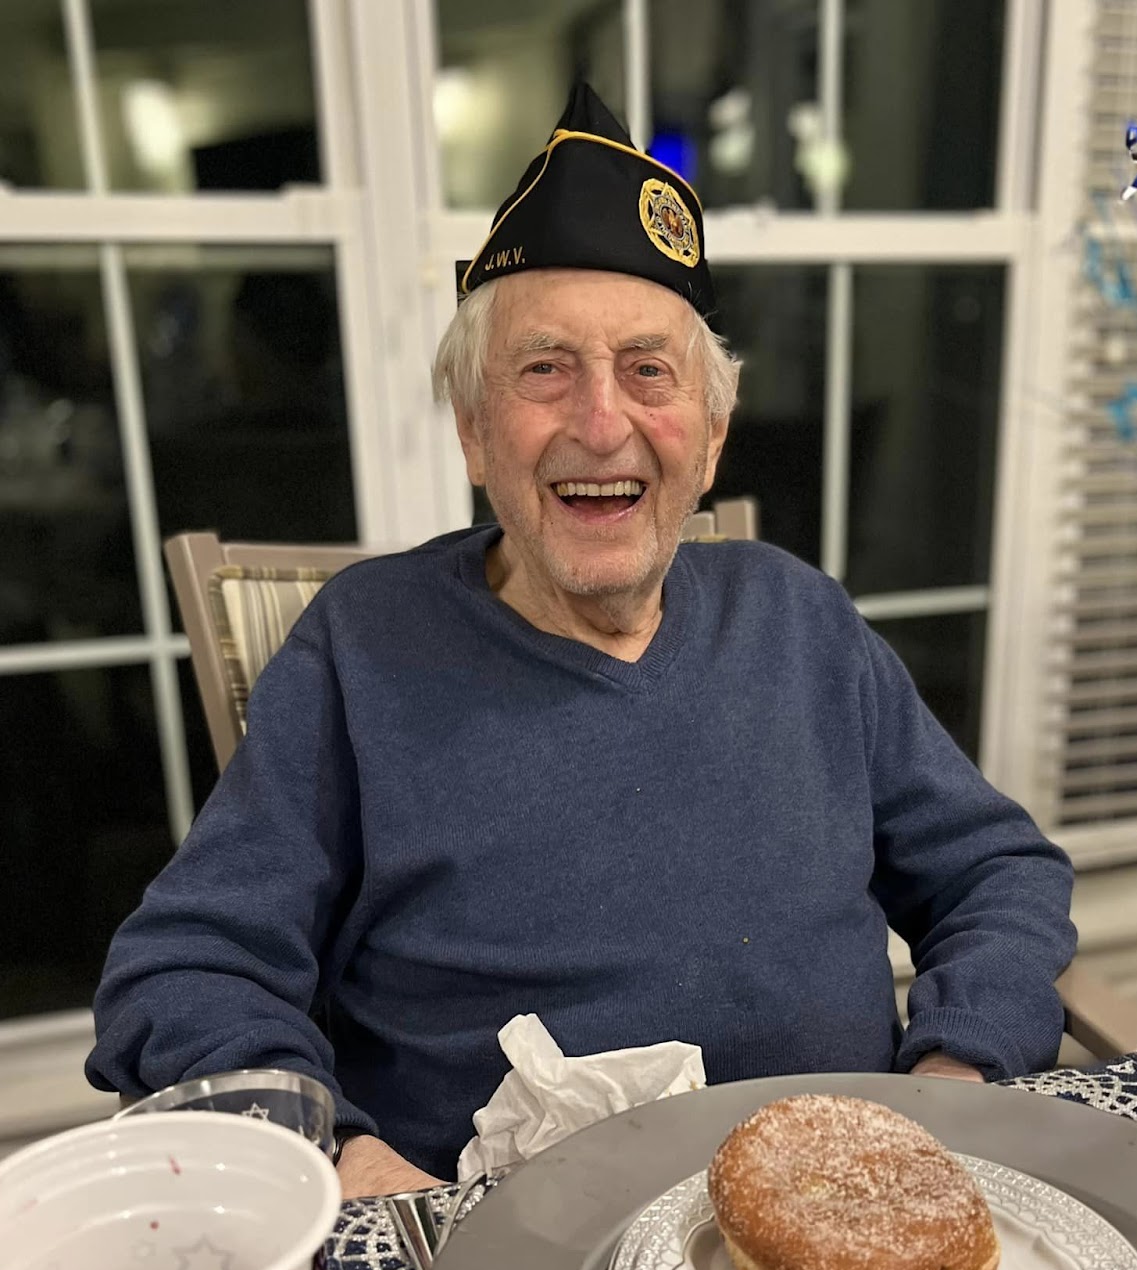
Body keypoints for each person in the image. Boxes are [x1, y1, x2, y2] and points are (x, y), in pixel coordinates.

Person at [86, 85, 1076, 1199]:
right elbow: (183, 972)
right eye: (543, 368)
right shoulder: (360, 649)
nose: (600, 422)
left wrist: (953, 1064)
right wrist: (348, 1157)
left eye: (648, 371)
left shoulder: (798, 619)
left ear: (707, 437)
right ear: (472, 428)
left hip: (837, 1223)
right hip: (499, 1256)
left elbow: (997, 873)